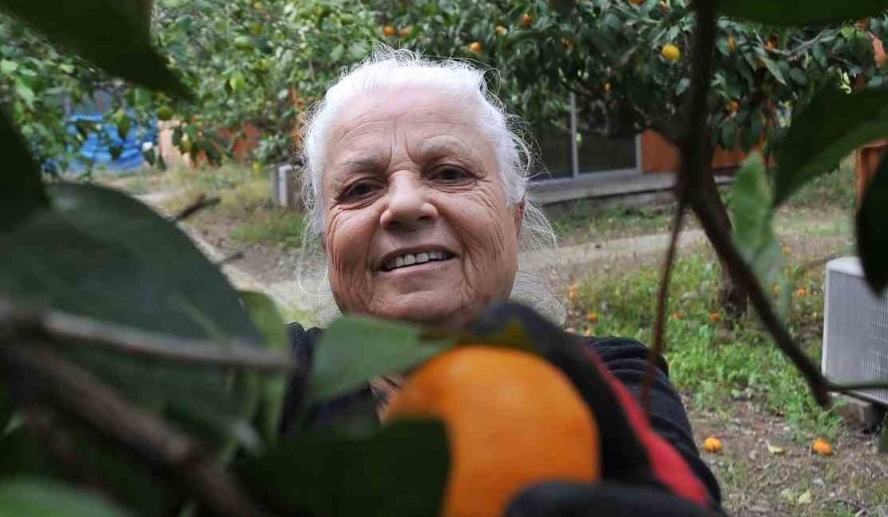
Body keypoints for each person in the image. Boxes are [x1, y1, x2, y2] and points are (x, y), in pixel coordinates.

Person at [279, 49, 723, 513]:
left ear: (515, 218)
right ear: (329, 241)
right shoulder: (271, 382)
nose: (405, 205)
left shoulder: (608, 382)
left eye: (449, 174)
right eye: (361, 189)